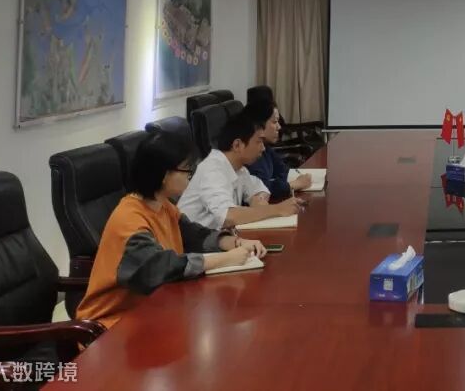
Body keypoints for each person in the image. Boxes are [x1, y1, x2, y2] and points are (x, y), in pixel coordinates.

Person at [77, 131, 267, 329]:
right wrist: (227, 259)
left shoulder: (164, 206)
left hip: (152, 310)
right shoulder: (129, 219)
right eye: (186, 170)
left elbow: (194, 235)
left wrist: (235, 242)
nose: (190, 176)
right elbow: (161, 268)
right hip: (111, 325)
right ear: (163, 175)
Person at [178, 113, 302, 229]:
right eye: (259, 142)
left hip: (219, 237)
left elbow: (257, 186)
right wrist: (277, 209)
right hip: (192, 243)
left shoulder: (238, 168)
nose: (263, 148)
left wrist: (258, 199)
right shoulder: (212, 171)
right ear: (237, 145)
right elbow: (228, 217)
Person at [247, 100, 314, 200]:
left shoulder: (265, 147)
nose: (279, 127)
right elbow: (262, 189)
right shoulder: (251, 155)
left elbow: (283, 170)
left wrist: (278, 185)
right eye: (275, 122)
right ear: (259, 125)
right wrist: (295, 184)